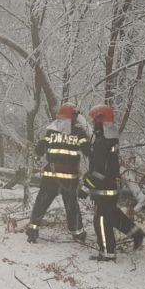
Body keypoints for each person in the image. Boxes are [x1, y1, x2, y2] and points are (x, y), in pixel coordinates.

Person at [82, 104, 145, 262]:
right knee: (112, 215)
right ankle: (136, 233)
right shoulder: (108, 138)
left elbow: (100, 170)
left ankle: (107, 253)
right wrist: (88, 150)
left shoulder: (103, 141)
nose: (92, 123)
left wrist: (86, 185)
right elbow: (103, 162)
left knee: (101, 220)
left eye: (94, 120)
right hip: (109, 186)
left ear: (100, 120)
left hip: (103, 187)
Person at [26, 103, 90, 244]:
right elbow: (88, 150)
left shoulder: (52, 131)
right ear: (72, 116)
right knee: (72, 205)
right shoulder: (79, 132)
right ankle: (78, 233)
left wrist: (38, 150)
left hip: (51, 175)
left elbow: (40, 149)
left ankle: (32, 230)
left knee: (41, 203)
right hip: (69, 178)